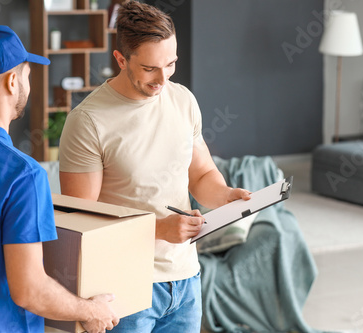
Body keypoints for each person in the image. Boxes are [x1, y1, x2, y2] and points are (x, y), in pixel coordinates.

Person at [58, 1, 251, 332]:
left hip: (186, 279)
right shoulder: (88, 122)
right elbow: (80, 227)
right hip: (124, 287)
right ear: (121, 59)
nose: (163, 79)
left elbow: (201, 174)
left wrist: (226, 196)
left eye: (171, 64)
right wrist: (159, 230)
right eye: (150, 68)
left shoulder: (183, 101)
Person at [0, 25, 119, 333]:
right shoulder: (21, 173)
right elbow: (30, 290)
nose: (28, 82)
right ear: (13, 81)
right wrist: (91, 310)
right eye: (27, 74)